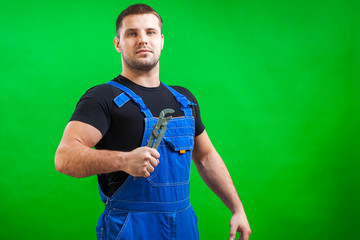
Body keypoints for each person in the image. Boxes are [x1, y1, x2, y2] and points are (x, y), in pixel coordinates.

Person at [55, 3, 251, 240]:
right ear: (118, 43)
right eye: (132, 33)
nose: (142, 40)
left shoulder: (184, 100)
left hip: (185, 225)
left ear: (161, 40)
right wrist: (124, 160)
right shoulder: (103, 98)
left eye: (150, 32)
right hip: (132, 227)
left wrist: (237, 208)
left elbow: (206, 156)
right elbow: (64, 158)